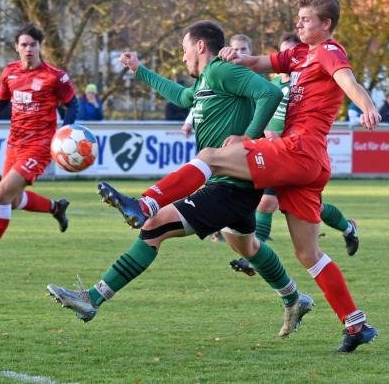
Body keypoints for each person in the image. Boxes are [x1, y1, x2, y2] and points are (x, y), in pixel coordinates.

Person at [77, 0, 381, 352]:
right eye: (298, 18)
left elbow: (348, 81)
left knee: (214, 155)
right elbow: (258, 63)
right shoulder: (299, 55)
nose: (298, 23)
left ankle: (146, 205)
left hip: (299, 149)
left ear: (326, 24)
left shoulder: (330, 51)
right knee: (308, 254)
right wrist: (236, 56)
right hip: (308, 164)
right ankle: (355, 324)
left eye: (306, 19)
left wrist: (366, 106)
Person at [46, 20, 315, 339]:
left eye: (184, 48)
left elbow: (268, 92)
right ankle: (294, 299)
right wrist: (140, 70)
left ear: (200, 45)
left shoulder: (220, 70)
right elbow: (181, 95)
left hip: (230, 184)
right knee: (248, 246)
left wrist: (247, 137)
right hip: (236, 186)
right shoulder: (206, 80)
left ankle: (93, 297)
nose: (183, 55)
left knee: (154, 225)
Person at [229, 32, 361, 278]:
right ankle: (346, 227)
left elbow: (344, 84)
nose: (290, 60)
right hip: (276, 149)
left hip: (295, 150)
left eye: (292, 53)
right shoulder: (273, 86)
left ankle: (257, 255)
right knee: (279, 205)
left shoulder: (306, 83)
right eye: (284, 53)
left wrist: (367, 107)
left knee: (276, 204)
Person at [0, 23, 78, 271]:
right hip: (14, 144)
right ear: (17, 47)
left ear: (39, 47)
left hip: (40, 145)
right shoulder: (9, 73)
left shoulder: (55, 77)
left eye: (33, 45)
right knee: (11, 201)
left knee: (1, 194)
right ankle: (56, 208)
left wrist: (64, 134)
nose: (28, 49)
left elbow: (73, 105)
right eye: (23, 45)